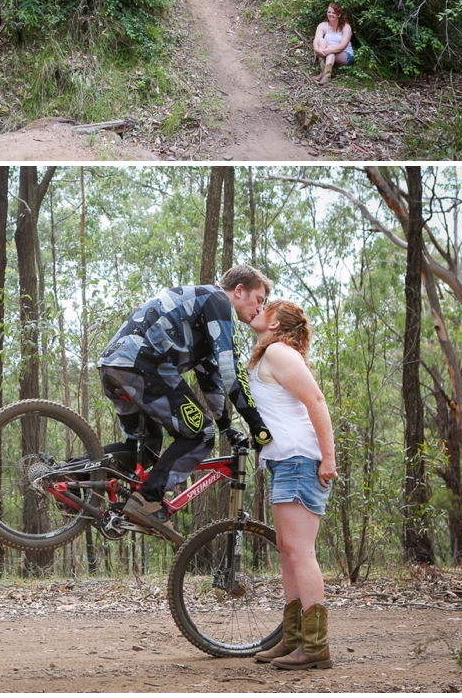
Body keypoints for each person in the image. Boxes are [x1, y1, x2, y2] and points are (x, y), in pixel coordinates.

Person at [97, 264, 273, 545]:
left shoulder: (200, 314)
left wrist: (227, 425)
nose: (260, 310)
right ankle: (148, 499)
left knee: (142, 449)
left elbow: (211, 378)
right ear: (239, 291)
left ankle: (67, 477)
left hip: (114, 367)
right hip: (144, 365)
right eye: (259, 300)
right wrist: (256, 423)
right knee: (201, 435)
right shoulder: (218, 301)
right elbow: (230, 368)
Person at [247, 298, 337, 669]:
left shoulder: (281, 352)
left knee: (300, 551)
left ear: (275, 324)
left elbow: (316, 400)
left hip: (301, 458)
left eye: (265, 306)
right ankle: (294, 638)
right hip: (286, 460)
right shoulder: (272, 354)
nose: (258, 308)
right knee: (287, 550)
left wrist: (329, 457)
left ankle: (315, 647)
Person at [313, 3, 353, 84]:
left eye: (333, 13)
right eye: (329, 12)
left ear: (339, 15)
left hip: (344, 54)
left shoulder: (346, 27)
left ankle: (327, 76)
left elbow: (343, 45)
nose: (330, 14)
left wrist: (330, 50)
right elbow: (316, 39)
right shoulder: (322, 25)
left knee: (331, 51)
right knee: (321, 41)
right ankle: (323, 72)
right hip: (327, 52)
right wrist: (317, 49)